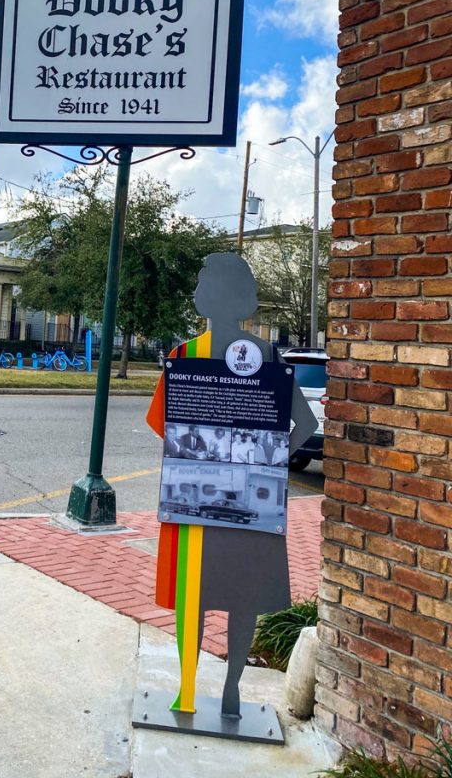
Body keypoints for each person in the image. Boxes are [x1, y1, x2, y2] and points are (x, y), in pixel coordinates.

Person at [147, 252, 316, 719]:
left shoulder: (186, 355)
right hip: (250, 498)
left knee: (192, 594)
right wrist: (266, 458)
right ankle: (231, 691)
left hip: (194, 496)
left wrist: (206, 451)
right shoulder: (266, 355)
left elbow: (163, 424)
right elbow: (301, 425)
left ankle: (186, 689)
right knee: (243, 595)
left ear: (208, 298)